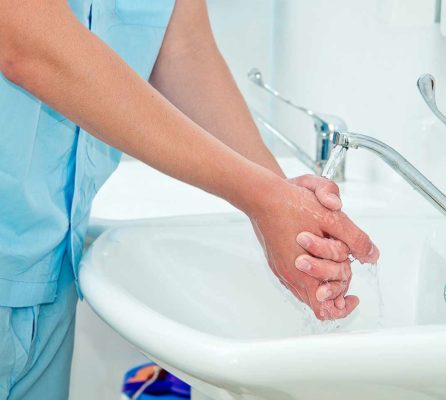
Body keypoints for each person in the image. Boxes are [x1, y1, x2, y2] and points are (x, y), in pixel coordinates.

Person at [0, 0, 379, 399]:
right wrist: (263, 197)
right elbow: (29, 42)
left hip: (45, 273)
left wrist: (283, 202)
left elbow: (182, 49)